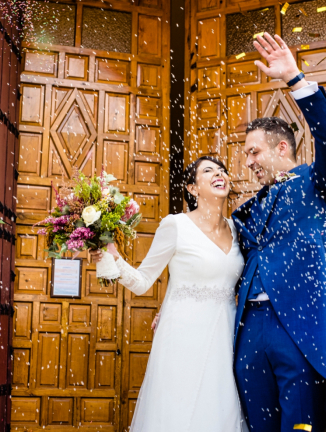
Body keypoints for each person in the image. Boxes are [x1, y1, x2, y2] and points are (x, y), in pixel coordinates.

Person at [231, 33, 326, 432]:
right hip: (250, 327)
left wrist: (296, 80)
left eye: (253, 152)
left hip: (295, 325)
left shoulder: (319, 185)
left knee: (300, 423)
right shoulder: (248, 208)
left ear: (282, 149)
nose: (247, 163)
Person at [90, 157, 248, 432]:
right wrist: (113, 256)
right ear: (193, 188)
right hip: (183, 337)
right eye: (208, 171)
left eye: (221, 170)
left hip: (226, 336)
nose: (218, 174)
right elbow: (142, 282)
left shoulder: (237, 229)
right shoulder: (176, 225)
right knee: (180, 410)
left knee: (221, 410)